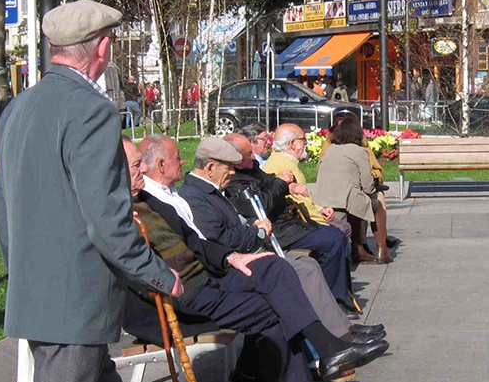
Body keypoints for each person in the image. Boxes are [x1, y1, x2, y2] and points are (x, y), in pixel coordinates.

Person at [0, 1, 210, 382]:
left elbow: (4, 212)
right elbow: (109, 222)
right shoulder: (91, 111)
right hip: (75, 297)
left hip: (43, 292)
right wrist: (159, 274)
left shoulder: (20, 108)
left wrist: (26, 278)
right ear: (104, 49)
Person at [126, 136, 388, 382]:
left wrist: (230, 258)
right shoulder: (124, 213)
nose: (143, 170)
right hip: (175, 303)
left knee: (274, 268)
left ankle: (326, 352)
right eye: (137, 165)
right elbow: (134, 267)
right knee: (274, 305)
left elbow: (196, 245)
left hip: (202, 282)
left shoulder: (148, 201)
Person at [140, 134, 384, 345]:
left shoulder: (199, 191)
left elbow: (217, 233)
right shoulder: (193, 195)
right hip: (218, 272)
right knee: (295, 270)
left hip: (239, 256)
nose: (235, 170)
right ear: (212, 167)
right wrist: (254, 231)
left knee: (311, 259)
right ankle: (329, 341)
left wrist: (264, 217)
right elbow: (213, 239)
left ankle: (338, 332)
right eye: (230, 165)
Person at [186, 131, 355, 313]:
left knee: (332, 239)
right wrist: (280, 185)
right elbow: (259, 206)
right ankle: (334, 307)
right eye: (247, 155)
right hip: (274, 234)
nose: (254, 157)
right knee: (329, 244)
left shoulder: (247, 170)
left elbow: (266, 187)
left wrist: (286, 187)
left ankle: (335, 310)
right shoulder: (224, 184)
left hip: (276, 228)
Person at [311, 116, 393, 265]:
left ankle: (358, 249)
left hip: (323, 201)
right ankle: (382, 251)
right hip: (345, 201)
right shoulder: (359, 151)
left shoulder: (330, 150)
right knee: (376, 205)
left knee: (357, 203)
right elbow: (368, 186)